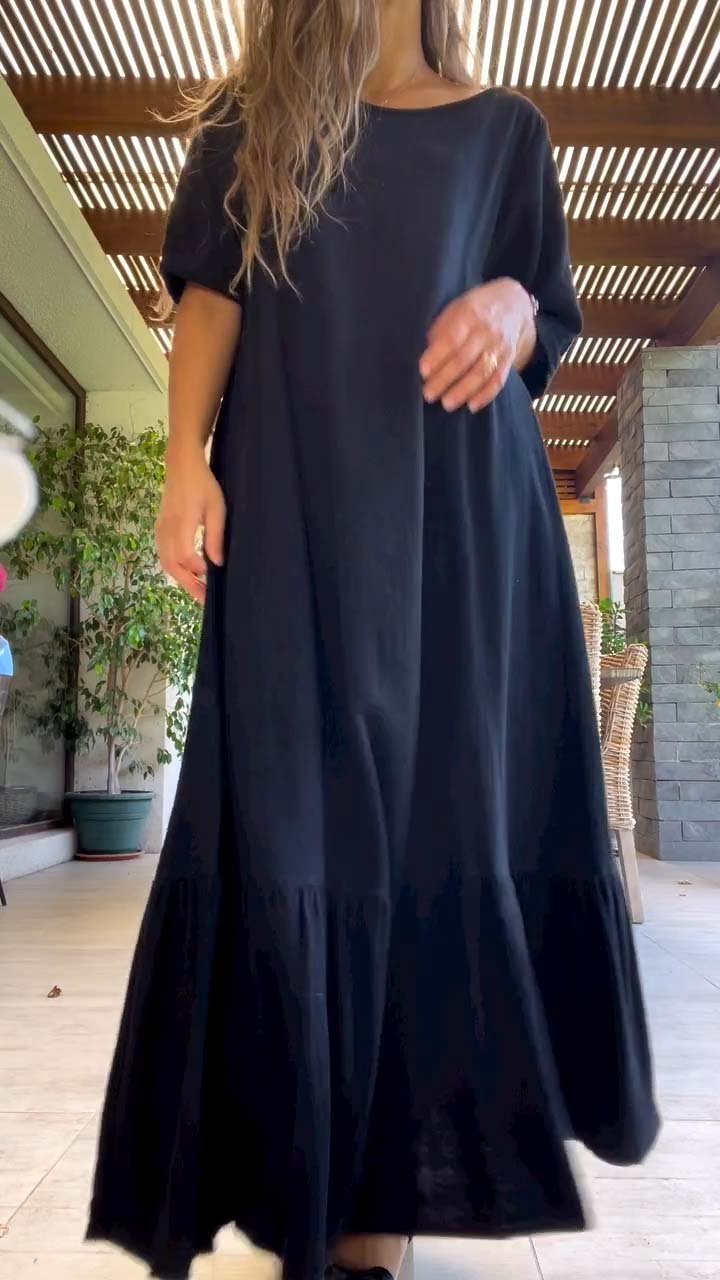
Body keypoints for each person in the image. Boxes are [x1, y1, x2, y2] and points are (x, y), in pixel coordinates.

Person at [87, 2, 660, 1278]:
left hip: (467, 537)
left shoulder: (508, 131)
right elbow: (212, 297)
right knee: (297, 821)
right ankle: (311, 1176)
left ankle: (369, 1219)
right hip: (294, 510)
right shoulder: (253, 121)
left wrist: (513, 304)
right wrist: (183, 461)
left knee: (435, 824)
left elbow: (545, 316)